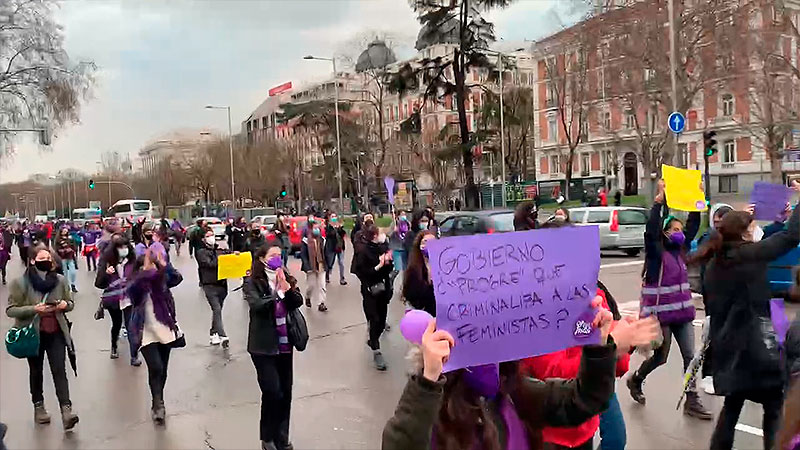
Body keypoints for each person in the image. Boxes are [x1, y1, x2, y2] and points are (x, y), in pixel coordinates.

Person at [381, 300, 660, 450]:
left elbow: (583, 399)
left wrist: (598, 347)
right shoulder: (434, 408)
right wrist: (429, 377)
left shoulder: (515, 392)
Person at [691, 194, 800, 450]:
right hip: (757, 348)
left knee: (732, 406)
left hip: (727, 349)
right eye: (751, 228)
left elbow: (775, 240)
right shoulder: (748, 256)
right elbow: (790, 238)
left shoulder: (716, 261)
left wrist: (749, 217)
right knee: (773, 410)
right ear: (743, 233)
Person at [626, 179, 712, 419]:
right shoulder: (656, 255)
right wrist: (658, 204)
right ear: (664, 233)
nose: (679, 233)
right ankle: (637, 379)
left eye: (680, 230)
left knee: (690, 357)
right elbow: (650, 231)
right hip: (660, 317)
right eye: (674, 229)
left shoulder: (680, 252)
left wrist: (697, 200)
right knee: (660, 358)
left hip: (683, 316)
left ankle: (692, 400)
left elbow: (694, 224)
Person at [6, 244, 79, 430]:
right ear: (32, 261)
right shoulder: (20, 283)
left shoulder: (60, 280)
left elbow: (70, 303)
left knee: (59, 370)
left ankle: (66, 411)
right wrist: (34, 309)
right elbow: (11, 310)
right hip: (33, 334)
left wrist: (65, 304)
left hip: (56, 332)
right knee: (36, 371)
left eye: (49, 258)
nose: (47, 262)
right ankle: (39, 408)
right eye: (42, 259)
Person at [243, 245, 305, 450]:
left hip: (285, 344)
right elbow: (256, 305)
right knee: (273, 391)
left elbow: (297, 301)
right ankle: (267, 436)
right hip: (263, 346)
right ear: (262, 259)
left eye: (280, 255)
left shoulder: (285, 275)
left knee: (285, 392)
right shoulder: (253, 280)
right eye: (273, 255)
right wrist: (277, 294)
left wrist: (287, 289)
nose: (278, 259)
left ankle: (282, 437)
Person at [126, 249, 183, 425]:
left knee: (163, 369)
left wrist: (164, 265)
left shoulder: (163, 279)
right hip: (145, 330)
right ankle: (158, 404)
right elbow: (132, 295)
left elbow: (177, 278)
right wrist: (145, 272)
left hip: (164, 327)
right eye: (148, 265)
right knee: (156, 367)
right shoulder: (137, 282)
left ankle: (158, 400)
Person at [694, 203, 733, 394]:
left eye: (723, 220)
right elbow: (705, 273)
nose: (718, 224)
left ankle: (725, 372)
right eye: (716, 220)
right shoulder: (709, 239)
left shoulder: (736, 240)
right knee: (713, 336)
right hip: (715, 299)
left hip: (733, 297)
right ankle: (708, 374)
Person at [353, 223, 394, 371]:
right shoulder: (363, 252)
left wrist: (388, 261)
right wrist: (378, 265)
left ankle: (373, 338)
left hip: (383, 289)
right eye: (380, 233)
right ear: (374, 236)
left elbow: (389, 268)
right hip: (370, 291)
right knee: (374, 319)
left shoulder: (382, 248)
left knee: (382, 322)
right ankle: (376, 349)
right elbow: (362, 272)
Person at [95, 234, 140, 365]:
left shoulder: (133, 261)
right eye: (120, 247)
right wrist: (106, 274)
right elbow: (99, 283)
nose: (124, 249)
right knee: (116, 324)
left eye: (126, 246)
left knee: (131, 327)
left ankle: (134, 356)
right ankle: (114, 346)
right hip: (113, 299)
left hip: (129, 298)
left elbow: (139, 277)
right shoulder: (107, 261)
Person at [196, 228, 230, 347]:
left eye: (212, 235)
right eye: (208, 235)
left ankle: (213, 333)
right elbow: (209, 264)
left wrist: (232, 254)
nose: (211, 237)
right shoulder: (201, 252)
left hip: (222, 285)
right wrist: (221, 258)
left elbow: (230, 259)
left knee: (218, 310)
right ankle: (222, 335)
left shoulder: (219, 249)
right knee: (217, 309)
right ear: (203, 239)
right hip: (209, 285)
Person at [401, 230, 436, 316]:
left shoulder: (443, 265)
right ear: (419, 245)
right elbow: (410, 294)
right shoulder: (414, 267)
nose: (429, 245)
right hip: (421, 311)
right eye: (425, 242)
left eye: (432, 242)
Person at [300, 219, 328, 312]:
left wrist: (327, 265)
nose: (317, 230)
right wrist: (307, 267)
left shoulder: (322, 240)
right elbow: (303, 255)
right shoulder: (306, 241)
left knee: (322, 286)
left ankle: (321, 303)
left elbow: (326, 254)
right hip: (311, 267)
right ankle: (308, 297)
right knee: (311, 286)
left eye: (318, 228)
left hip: (321, 265)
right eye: (315, 228)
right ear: (311, 229)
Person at [324, 213, 347, 285]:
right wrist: (334, 228)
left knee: (341, 263)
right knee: (330, 263)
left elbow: (343, 234)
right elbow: (329, 234)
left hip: (340, 247)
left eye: (335, 216)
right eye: (332, 216)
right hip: (331, 247)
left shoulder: (339, 225)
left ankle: (342, 278)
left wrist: (340, 228)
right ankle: (327, 276)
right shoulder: (328, 226)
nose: (334, 218)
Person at [55, 227, 79, 293]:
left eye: (66, 230)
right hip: (62, 258)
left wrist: (72, 249)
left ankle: (73, 284)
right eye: (64, 230)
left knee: (73, 272)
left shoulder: (70, 238)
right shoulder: (58, 239)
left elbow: (74, 246)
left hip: (70, 257)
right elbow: (57, 249)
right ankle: (66, 286)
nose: (65, 231)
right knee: (64, 273)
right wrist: (64, 250)